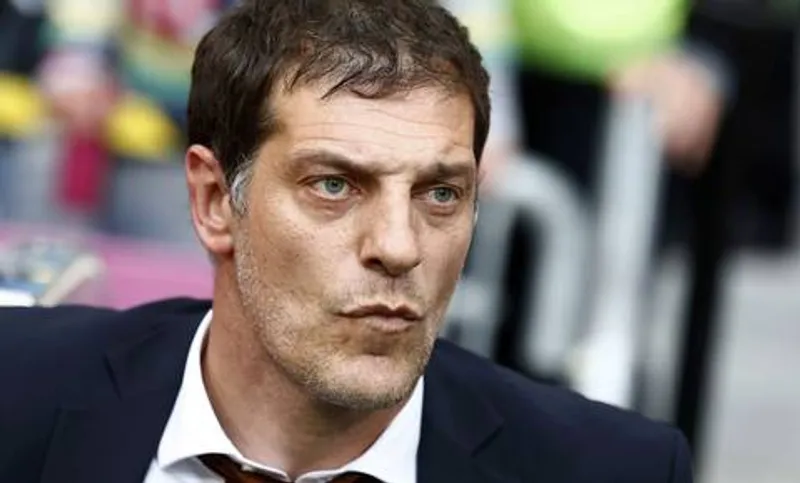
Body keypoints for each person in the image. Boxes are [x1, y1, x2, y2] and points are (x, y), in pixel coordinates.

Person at [0, 1, 694, 482]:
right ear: (214, 201)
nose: (398, 246)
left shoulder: (610, 469)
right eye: (334, 185)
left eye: (440, 193)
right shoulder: (18, 390)